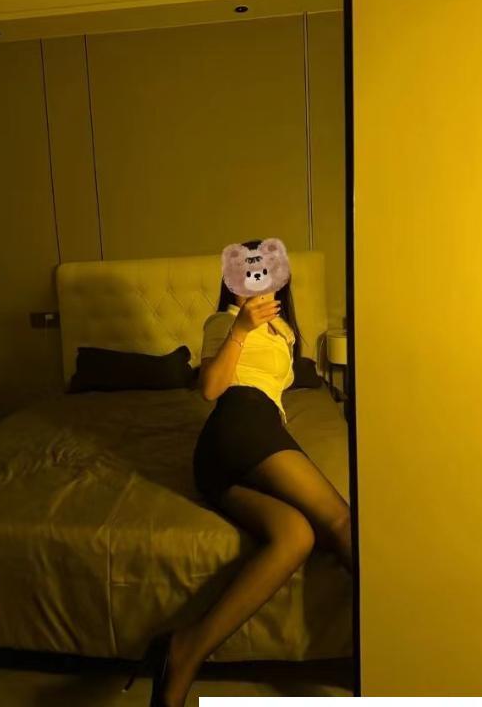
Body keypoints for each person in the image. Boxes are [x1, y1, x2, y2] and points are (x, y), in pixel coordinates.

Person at [138, 239, 353, 707]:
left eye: (266, 275)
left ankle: (184, 649)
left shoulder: (287, 334)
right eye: (245, 277)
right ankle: (400, 642)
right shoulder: (222, 322)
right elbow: (211, 389)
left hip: (241, 448)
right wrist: (239, 327)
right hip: (237, 423)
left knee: (296, 536)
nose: (256, 285)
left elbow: (272, 392)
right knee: (341, 521)